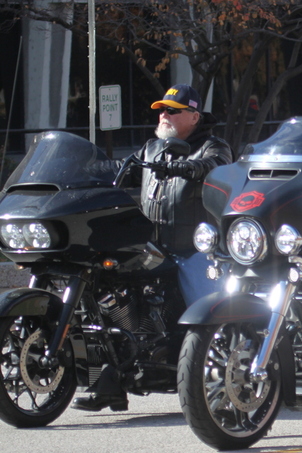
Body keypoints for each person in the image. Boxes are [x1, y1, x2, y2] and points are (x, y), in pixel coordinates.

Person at [72, 84, 233, 412]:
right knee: (113, 294)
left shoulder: (212, 146)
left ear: (194, 115)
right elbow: (118, 171)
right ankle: (115, 374)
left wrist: (187, 167)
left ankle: (228, 374)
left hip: (194, 251)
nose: (164, 115)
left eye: (172, 110)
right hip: (153, 249)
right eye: (162, 109)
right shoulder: (150, 149)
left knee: (211, 314)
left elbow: (213, 167)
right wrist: (89, 175)